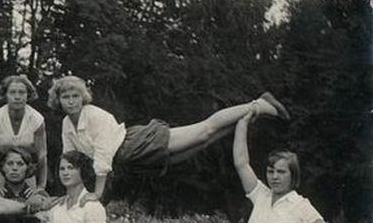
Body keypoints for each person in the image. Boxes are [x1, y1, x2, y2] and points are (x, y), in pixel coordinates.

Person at [47, 75, 292, 202]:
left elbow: (101, 158)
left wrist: (97, 194)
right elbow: (70, 158)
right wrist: (71, 193)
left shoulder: (94, 115)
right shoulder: (67, 124)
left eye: (74, 96)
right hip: (133, 161)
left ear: (83, 97)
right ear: (58, 100)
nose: (70, 101)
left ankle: (259, 104)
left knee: (204, 130)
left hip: (137, 144)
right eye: (65, 97)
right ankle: (248, 117)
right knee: (205, 141)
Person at [0, 75, 48, 196]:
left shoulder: (37, 119)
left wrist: (40, 187)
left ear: (28, 95)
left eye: (22, 92)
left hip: (28, 173)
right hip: (2, 173)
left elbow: (42, 156)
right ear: (5, 95)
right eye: (12, 92)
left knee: (31, 208)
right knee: (0, 208)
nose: (17, 97)